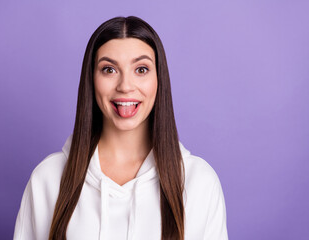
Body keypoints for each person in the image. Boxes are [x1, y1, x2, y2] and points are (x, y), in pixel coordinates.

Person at [13, 16, 228, 240]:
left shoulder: (199, 182)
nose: (125, 86)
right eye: (109, 70)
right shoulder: (47, 179)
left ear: (159, 79)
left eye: (141, 69)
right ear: (91, 79)